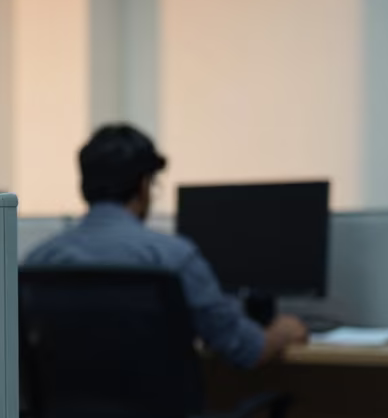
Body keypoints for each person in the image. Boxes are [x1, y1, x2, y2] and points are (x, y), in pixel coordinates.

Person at [24, 123, 308, 368]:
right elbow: (244, 350)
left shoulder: (38, 261)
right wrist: (284, 331)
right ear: (144, 186)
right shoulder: (173, 258)